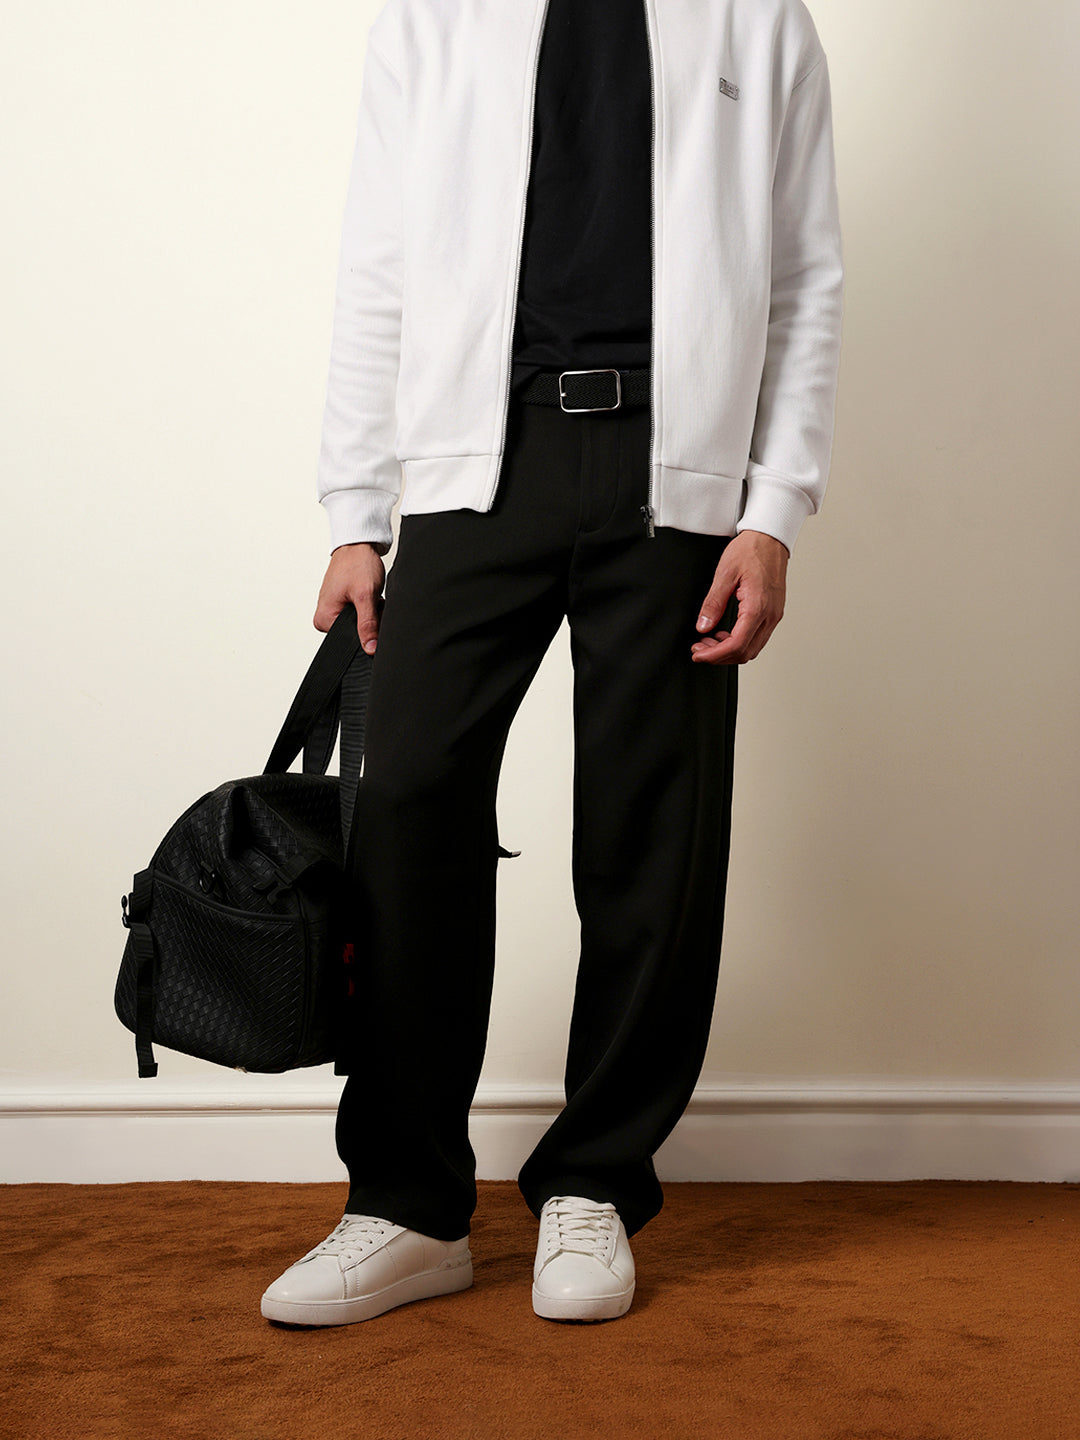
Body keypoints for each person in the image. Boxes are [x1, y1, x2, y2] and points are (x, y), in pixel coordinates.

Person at [261, 0, 843, 1327]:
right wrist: (356, 509)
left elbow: (807, 275)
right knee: (409, 806)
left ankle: (594, 1182)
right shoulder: (434, 15)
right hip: (477, 464)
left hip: (678, 478)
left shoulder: (757, 15)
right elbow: (380, 258)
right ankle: (408, 1205)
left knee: (652, 831)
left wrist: (772, 512)